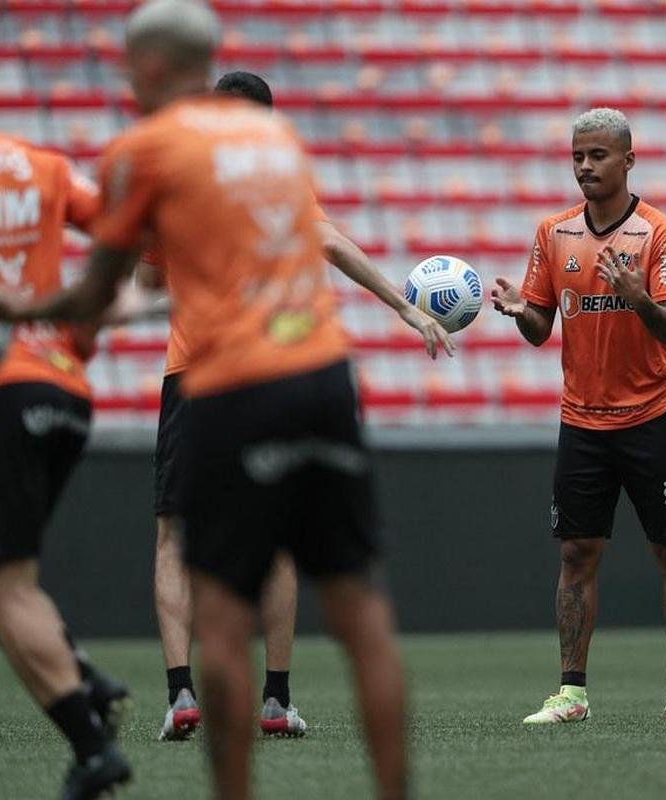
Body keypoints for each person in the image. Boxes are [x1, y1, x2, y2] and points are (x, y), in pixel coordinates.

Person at [0, 2, 416, 796]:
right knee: (360, 608)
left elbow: (98, 286)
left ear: (150, 67)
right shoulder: (280, 143)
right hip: (323, 372)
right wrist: (402, 306)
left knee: (218, 607)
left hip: (227, 380)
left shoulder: (145, 150)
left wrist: (21, 313)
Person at [149, 69, 450, 742]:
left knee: (174, 535)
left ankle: (181, 695)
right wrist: (404, 306)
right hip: (282, 369)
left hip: (196, 372)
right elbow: (329, 240)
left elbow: (144, 275)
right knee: (282, 535)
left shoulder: (174, 170)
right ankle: (276, 700)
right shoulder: (278, 170)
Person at [491, 108, 666, 724]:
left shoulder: (660, 234)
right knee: (576, 554)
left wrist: (637, 295)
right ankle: (571, 693)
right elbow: (541, 328)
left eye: (598, 156)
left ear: (628, 161)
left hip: (653, 415)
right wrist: (518, 311)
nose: (585, 166)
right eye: (578, 156)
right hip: (583, 420)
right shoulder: (553, 233)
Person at [0, 126, 133, 796]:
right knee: (6, 571)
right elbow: (122, 229)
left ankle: (91, 745)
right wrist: (86, 322)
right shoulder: (40, 166)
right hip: (64, 389)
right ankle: (81, 672)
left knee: (4, 582)